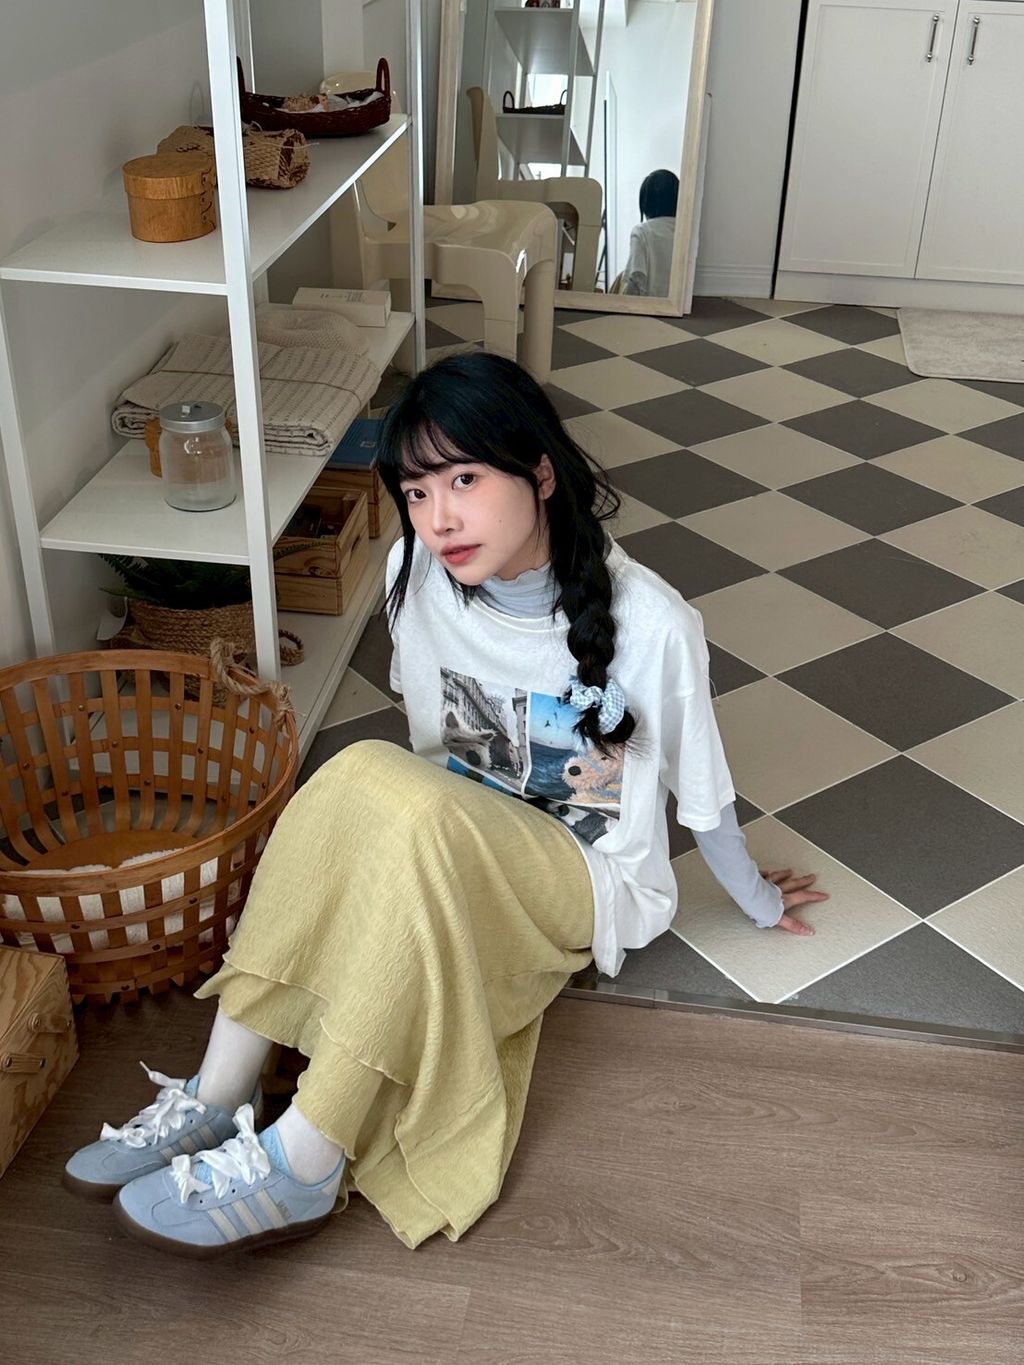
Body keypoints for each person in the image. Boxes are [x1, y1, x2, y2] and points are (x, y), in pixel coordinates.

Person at [63, 351, 829, 1258]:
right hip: (452, 845)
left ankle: (306, 1155)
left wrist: (759, 899)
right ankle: (219, 1091)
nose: (439, 519)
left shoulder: (654, 624)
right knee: (353, 772)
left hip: (580, 879)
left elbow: (702, 800)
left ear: (540, 473)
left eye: (465, 480)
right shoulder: (412, 573)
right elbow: (430, 752)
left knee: (405, 802)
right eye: (417, 492)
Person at [621, 168, 679, 297]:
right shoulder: (686, 232)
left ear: (646, 203)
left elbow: (636, 279)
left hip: (650, 306)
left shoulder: (642, 232)